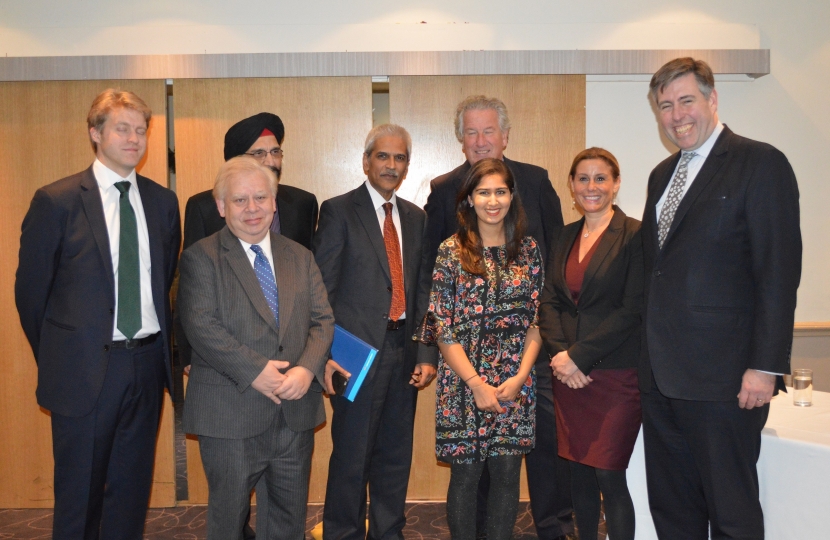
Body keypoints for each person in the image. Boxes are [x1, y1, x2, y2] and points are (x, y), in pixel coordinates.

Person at [641, 57, 801, 539]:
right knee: (674, 511)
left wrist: (765, 365)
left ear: (712, 99)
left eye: (686, 100)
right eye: (665, 106)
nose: (676, 115)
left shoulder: (760, 162)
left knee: (730, 512)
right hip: (661, 377)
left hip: (725, 380)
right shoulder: (660, 175)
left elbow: (778, 271)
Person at [15, 89, 181, 539]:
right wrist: (65, 353)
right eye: (122, 128)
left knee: (131, 493)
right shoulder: (57, 201)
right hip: (84, 369)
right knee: (79, 495)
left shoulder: (163, 203)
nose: (134, 138)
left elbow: (164, 281)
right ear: (95, 133)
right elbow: (30, 296)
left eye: (141, 130)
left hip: (146, 366)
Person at [419, 95, 572, 540]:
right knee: (470, 475)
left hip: (528, 360)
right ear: (460, 139)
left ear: (505, 136)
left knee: (532, 459)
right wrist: (439, 358)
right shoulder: (444, 193)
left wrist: (531, 364)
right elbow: (434, 290)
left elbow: (554, 269)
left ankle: (552, 528)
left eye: (489, 131)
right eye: (472, 132)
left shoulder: (537, 184)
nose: (481, 141)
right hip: (465, 367)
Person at [178, 156, 333, 539]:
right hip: (229, 415)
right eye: (240, 200)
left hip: (293, 415)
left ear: (274, 202)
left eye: (260, 198)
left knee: (287, 520)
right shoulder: (200, 258)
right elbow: (201, 326)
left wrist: (306, 368)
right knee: (228, 521)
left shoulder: (300, 255)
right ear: (220, 206)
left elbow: (322, 320)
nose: (252, 209)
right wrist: (256, 372)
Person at [315, 124, 434, 540]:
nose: (391, 165)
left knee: (395, 455)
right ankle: (343, 533)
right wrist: (325, 354)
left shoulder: (417, 218)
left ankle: (388, 531)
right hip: (356, 354)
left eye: (399, 158)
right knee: (352, 455)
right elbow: (322, 291)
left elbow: (422, 292)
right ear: (366, 161)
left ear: (406, 166)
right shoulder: (338, 210)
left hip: (405, 349)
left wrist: (425, 354)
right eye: (383, 156)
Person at [425, 157, 544, 540]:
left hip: (515, 382)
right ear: (469, 200)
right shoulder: (450, 251)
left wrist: (521, 377)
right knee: (466, 477)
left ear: (512, 196)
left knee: (508, 477)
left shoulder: (529, 252)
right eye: (483, 192)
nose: (493, 200)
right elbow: (442, 326)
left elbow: (537, 323)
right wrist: (476, 382)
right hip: (463, 384)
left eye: (500, 191)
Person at [538, 148, 642, 540]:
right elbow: (549, 300)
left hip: (616, 376)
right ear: (571, 185)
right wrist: (561, 355)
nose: (591, 187)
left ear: (615, 184)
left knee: (609, 476)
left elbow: (632, 310)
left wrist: (578, 357)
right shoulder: (565, 235)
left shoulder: (635, 234)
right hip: (568, 375)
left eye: (601, 178)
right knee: (578, 474)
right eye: (583, 178)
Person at [182, 112, 318, 251]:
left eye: (275, 152)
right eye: (259, 153)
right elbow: (194, 265)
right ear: (237, 160)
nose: (271, 161)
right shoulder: (203, 207)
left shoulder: (302, 203)